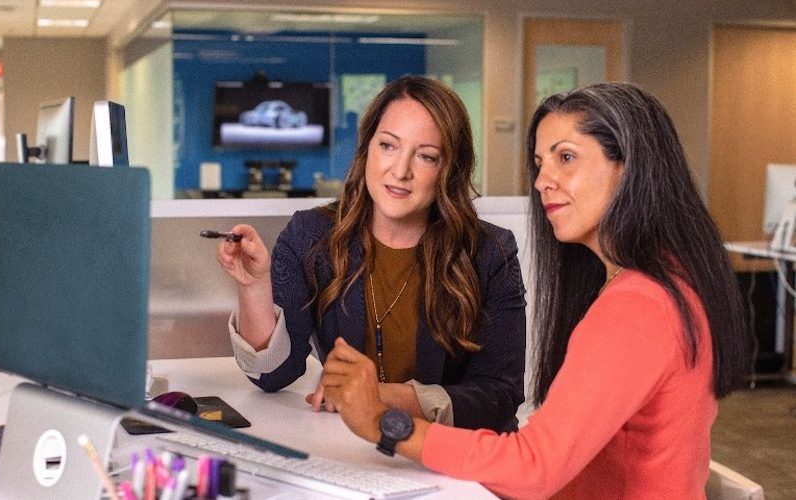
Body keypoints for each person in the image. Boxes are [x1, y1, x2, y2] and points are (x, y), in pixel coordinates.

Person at [320, 82, 752, 498]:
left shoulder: (638, 306)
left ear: (630, 169)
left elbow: (534, 470)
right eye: (540, 163)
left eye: (566, 157)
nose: (543, 180)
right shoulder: (671, 281)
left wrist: (384, 423)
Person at [215, 75, 527, 432]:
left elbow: (499, 395)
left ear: (449, 170)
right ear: (367, 149)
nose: (400, 171)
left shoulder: (490, 252)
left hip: (453, 456)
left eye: (425, 156)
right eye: (388, 146)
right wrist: (254, 286)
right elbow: (272, 375)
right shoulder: (311, 236)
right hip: (354, 449)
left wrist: (378, 395)